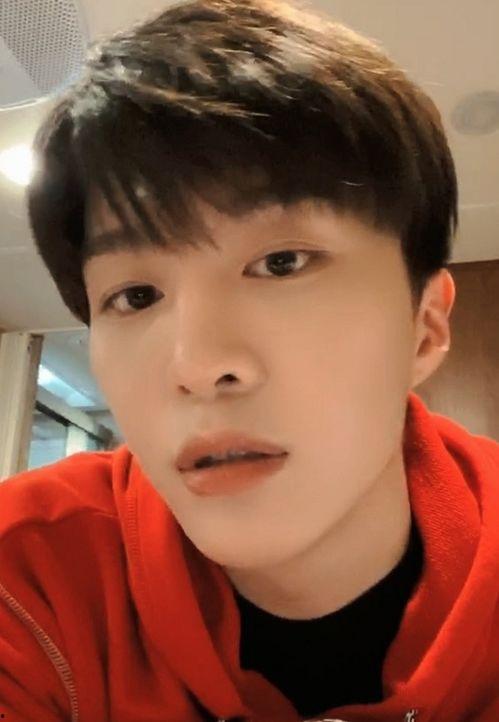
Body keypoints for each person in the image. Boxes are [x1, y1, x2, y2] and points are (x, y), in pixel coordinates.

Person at [1, 0, 498, 720]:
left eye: (281, 262)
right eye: (135, 295)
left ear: (424, 329)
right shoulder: (29, 577)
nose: (198, 365)